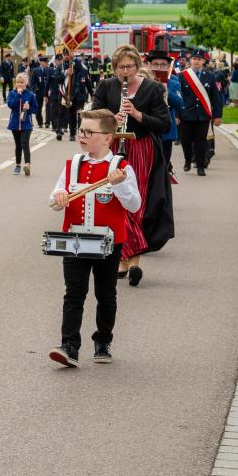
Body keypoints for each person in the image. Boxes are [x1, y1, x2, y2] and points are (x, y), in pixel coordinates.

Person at [47, 109, 142, 367]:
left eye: (89, 132)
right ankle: (69, 346)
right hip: (75, 240)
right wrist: (58, 198)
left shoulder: (122, 168)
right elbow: (54, 199)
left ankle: (102, 341)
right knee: (74, 293)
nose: (82, 136)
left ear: (107, 138)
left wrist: (120, 185)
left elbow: (134, 205)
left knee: (106, 293)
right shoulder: (73, 164)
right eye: (81, 130)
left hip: (109, 243)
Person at [91, 44, 173, 286]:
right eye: (120, 67)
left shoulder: (153, 88)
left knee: (135, 202)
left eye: (129, 66)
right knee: (115, 201)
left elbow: (164, 124)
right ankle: (124, 258)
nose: (125, 71)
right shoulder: (106, 86)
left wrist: (137, 114)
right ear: (114, 68)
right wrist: (111, 120)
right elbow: (93, 117)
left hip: (141, 150)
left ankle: (131, 260)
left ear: (137, 66)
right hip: (112, 148)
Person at [178, 49, 223, 176]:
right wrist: (177, 115)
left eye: (199, 59)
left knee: (201, 141)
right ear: (190, 60)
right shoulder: (182, 76)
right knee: (186, 140)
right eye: (194, 58)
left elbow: (216, 97)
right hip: (186, 115)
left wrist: (218, 115)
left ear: (203, 61)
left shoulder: (210, 76)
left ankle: (200, 166)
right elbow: (178, 96)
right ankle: (188, 159)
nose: (196, 61)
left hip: (203, 115)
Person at [147, 50, 183, 176]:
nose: (159, 68)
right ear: (149, 65)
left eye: (163, 65)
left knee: (163, 169)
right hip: (147, 131)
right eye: (155, 64)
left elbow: (180, 104)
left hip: (166, 132)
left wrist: (166, 91)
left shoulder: (173, 81)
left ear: (168, 67)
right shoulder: (142, 80)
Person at [57, 52, 91, 142]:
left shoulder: (75, 65)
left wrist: (74, 58)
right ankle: (59, 131)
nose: (66, 56)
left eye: (68, 55)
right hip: (63, 93)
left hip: (73, 94)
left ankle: (72, 134)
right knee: (61, 113)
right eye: (65, 55)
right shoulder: (60, 67)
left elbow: (81, 69)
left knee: (72, 115)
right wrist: (65, 73)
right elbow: (56, 79)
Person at [7, 72, 36, 175]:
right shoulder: (12, 93)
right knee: (18, 145)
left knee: (25, 143)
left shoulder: (30, 94)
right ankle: (18, 165)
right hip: (15, 123)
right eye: (18, 82)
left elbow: (35, 109)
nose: (19, 84)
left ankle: (27, 164)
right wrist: (18, 95)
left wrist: (29, 108)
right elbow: (11, 105)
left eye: (21, 82)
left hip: (26, 123)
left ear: (25, 83)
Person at [46, 52, 66, 138]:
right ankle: (55, 126)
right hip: (54, 93)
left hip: (63, 93)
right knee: (54, 111)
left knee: (62, 112)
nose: (59, 62)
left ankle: (60, 128)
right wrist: (45, 94)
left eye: (60, 60)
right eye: (58, 60)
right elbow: (48, 83)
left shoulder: (65, 69)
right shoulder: (51, 70)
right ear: (55, 61)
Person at [30, 56, 51, 128]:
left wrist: (50, 89)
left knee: (48, 108)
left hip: (47, 92)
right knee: (38, 109)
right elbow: (32, 82)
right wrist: (33, 91)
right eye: (45, 62)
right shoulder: (35, 70)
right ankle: (40, 122)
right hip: (38, 92)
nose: (46, 63)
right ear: (41, 62)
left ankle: (47, 122)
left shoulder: (49, 70)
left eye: (47, 62)